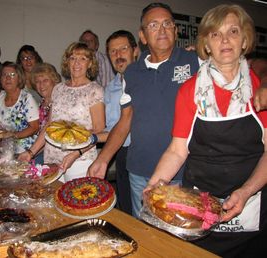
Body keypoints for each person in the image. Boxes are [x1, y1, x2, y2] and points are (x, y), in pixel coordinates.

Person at [146, 4, 267, 257]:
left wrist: (246, 191)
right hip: (200, 203)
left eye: (233, 31)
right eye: (215, 34)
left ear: (244, 41)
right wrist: (156, 184)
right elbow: (178, 150)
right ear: (207, 44)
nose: (224, 40)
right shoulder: (190, 90)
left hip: (251, 202)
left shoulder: (260, 90)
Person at [88, 3, 200, 218]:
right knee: (146, 231)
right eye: (154, 25)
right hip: (139, 171)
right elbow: (125, 121)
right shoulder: (131, 73)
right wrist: (103, 158)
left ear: (176, 31)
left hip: (182, 172)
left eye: (167, 24)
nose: (162, 29)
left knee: (175, 236)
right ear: (143, 36)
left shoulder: (195, 62)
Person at [22, 42, 105, 182]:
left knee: (75, 201)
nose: (76, 63)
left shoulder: (94, 90)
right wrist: (31, 152)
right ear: (67, 62)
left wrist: (75, 154)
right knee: (54, 200)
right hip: (52, 158)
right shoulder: (58, 89)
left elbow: (98, 129)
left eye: (83, 59)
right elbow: (50, 125)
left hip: (80, 160)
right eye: (73, 58)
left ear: (90, 63)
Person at [99, 30, 139, 215]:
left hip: (145, 152)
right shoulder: (110, 88)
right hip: (121, 151)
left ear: (135, 51)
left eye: (123, 49)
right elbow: (110, 127)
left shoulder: (147, 81)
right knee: (125, 204)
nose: (118, 55)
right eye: (113, 52)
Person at [18, 62, 61, 164]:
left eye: (45, 80)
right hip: (41, 150)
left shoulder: (59, 102)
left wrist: (31, 153)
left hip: (55, 154)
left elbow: (50, 135)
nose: (41, 85)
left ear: (54, 81)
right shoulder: (42, 102)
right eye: (37, 81)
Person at [0, 62, 39, 154]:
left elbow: (34, 127)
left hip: (27, 152)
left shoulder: (26, 99)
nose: (8, 78)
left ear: (19, 78)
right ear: (0, 79)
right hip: (5, 151)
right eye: (4, 74)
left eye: (12, 74)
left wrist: (12, 136)